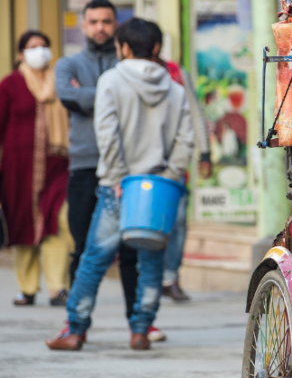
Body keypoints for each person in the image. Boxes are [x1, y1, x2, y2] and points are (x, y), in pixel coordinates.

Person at [46, 18, 194, 351]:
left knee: (94, 258)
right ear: (156, 48)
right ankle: (141, 330)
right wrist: (169, 177)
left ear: (123, 48)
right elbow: (185, 141)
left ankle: (76, 329)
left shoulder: (110, 80)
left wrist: (116, 177)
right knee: (151, 259)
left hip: (118, 187)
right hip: (159, 186)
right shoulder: (175, 89)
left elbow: (107, 134)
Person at [55, 0, 141, 316]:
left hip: (126, 167)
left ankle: (137, 322)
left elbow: (133, 96)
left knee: (131, 250)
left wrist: (88, 94)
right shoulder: (69, 64)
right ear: (83, 25)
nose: (100, 28)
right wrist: (115, 93)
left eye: (106, 21)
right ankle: (75, 320)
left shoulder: (127, 63)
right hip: (85, 165)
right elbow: (67, 94)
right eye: (93, 22)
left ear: (115, 24)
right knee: (82, 246)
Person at [0, 31, 73, 306]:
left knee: (57, 221)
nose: (40, 51)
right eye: (33, 47)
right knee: (23, 226)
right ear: (21, 54)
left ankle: (58, 288)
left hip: (58, 165)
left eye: (44, 46)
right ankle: (27, 288)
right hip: (18, 171)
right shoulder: (10, 85)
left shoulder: (62, 83)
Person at [149, 24, 212, 306]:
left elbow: (195, 115)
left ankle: (170, 278)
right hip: (140, 165)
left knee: (177, 223)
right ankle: (149, 279)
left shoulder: (177, 73)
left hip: (176, 164)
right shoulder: (124, 75)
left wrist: (205, 153)